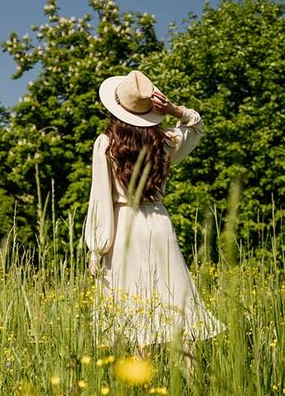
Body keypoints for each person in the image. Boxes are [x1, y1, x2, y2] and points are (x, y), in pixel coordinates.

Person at [85, 69, 223, 348]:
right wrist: (174, 110)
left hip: (124, 227)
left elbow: (100, 199)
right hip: (159, 222)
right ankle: (191, 373)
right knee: (177, 301)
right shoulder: (165, 142)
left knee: (134, 310)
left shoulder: (106, 144)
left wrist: (96, 248)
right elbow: (196, 125)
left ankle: (142, 374)